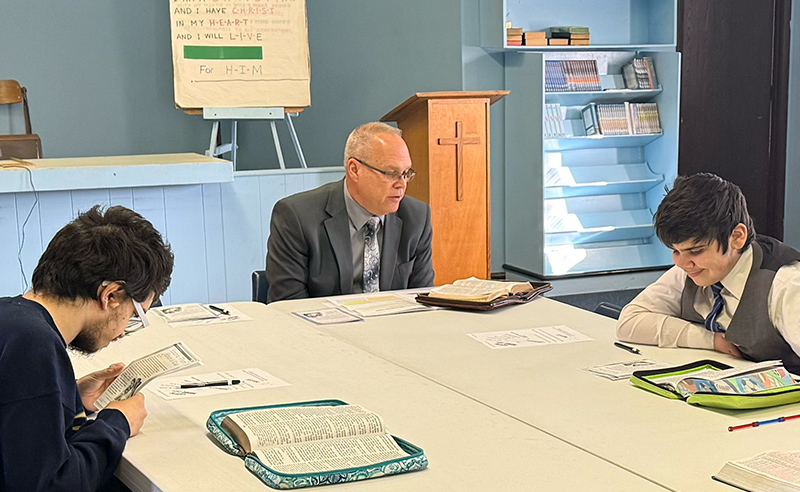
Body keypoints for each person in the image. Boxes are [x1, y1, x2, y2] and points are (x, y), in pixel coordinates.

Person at [0, 205, 174, 492]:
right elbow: (52, 485)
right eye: (134, 315)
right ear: (111, 295)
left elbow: (17, 418)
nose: (122, 332)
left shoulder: (11, 317)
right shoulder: (32, 343)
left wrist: (68, 396)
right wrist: (117, 423)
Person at [616, 173, 800, 371]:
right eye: (675, 251)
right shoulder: (693, 269)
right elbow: (629, 322)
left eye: (696, 251)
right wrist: (711, 340)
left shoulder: (787, 284)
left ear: (737, 237)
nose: (682, 263)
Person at [266, 122, 434, 302]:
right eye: (391, 173)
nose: (402, 184)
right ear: (354, 170)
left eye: (406, 173)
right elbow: (289, 305)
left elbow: (422, 300)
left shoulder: (416, 217)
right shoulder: (296, 217)